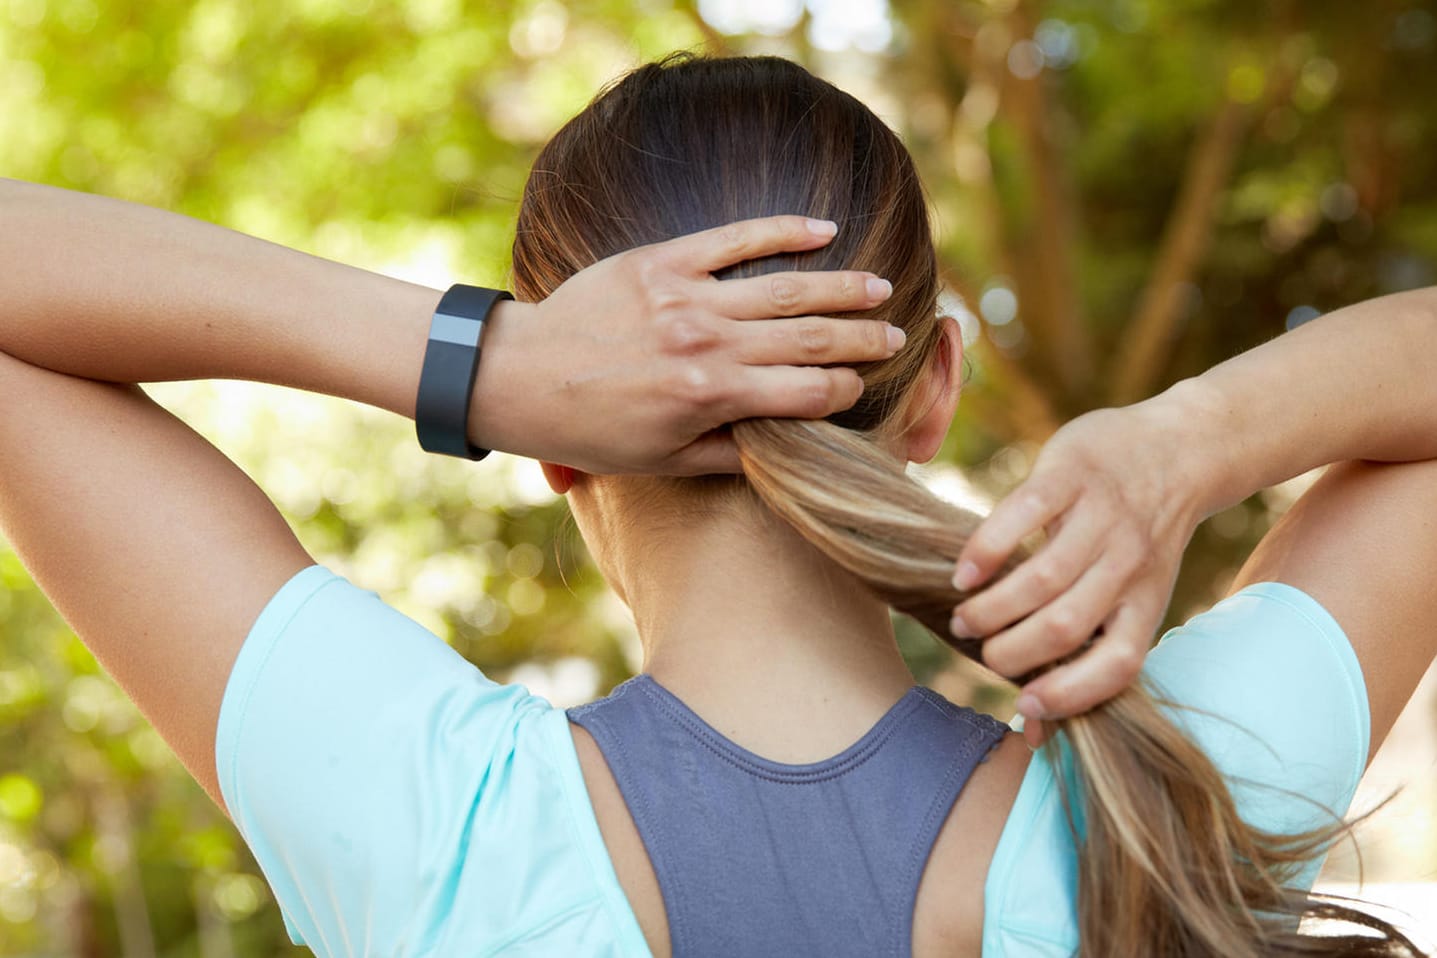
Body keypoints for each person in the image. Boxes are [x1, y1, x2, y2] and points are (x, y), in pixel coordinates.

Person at [0, 51, 1433, 957]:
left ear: (558, 448)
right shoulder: (1163, 798)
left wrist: (475, 360)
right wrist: (1185, 442)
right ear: (930, 387)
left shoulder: (430, 817)